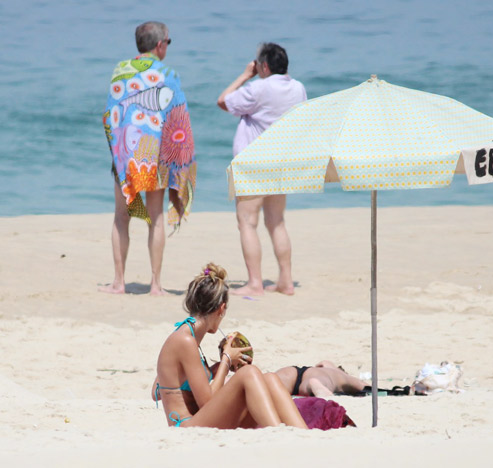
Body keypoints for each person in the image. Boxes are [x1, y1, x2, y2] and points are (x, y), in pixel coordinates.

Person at [100, 21, 196, 295]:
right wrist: (182, 161)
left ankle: (118, 283)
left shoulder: (120, 71)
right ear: (160, 44)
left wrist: (117, 152)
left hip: (126, 155)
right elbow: (178, 117)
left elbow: (110, 114)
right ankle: (156, 285)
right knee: (156, 218)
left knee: (121, 217)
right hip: (154, 156)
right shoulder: (168, 73)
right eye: (168, 41)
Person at [152, 262, 308, 428]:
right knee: (249, 373)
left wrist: (212, 370)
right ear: (221, 309)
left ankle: (302, 434)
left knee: (270, 379)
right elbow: (206, 403)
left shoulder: (183, 337)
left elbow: (157, 390)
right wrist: (226, 361)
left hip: (199, 419)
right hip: (186, 425)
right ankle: (277, 431)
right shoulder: (184, 341)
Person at [217, 43, 307, 296]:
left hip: (254, 163)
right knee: (276, 222)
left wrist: (246, 75)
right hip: (283, 162)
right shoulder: (298, 88)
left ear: (264, 66)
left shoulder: (258, 87)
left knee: (247, 222)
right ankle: (286, 281)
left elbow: (223, 101)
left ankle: (255, 283)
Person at [274, 361, 368, 397]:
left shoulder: (327, 365)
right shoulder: (343, 376)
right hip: (317, 377)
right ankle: (313, 384)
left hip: (291, 372)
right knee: (321, 382)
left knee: (267, 384)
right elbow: (363, 385)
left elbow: (322, 363)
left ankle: (313, 383)